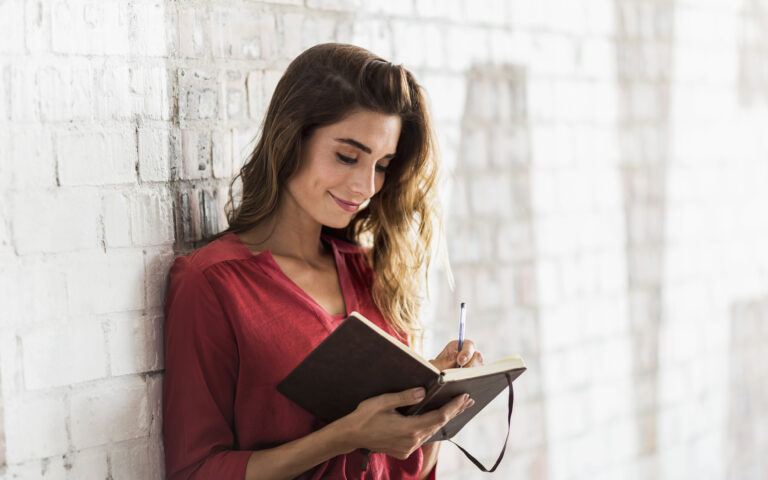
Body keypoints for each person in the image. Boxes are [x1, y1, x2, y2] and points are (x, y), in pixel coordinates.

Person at [163, 43, 484, 480]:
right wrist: (344, 435)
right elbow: (196, 470)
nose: (365, 185)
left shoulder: (371, 273)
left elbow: (406, 470)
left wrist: (428, 405)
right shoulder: (214, 283)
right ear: (292, 138)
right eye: (347, 157)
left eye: (382, 165)